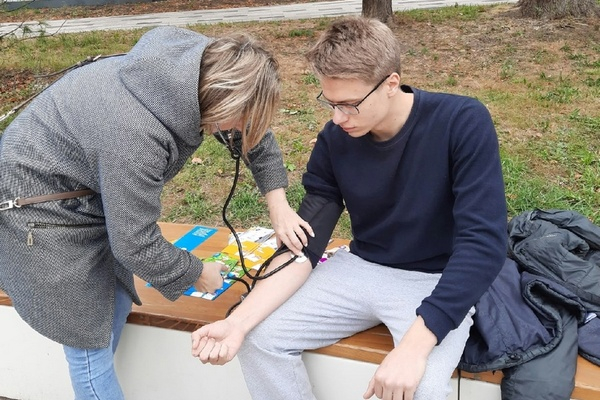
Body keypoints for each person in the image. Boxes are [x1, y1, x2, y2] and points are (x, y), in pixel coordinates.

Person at [191, 16, 508, 400]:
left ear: (390, 83)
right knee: (258, 338)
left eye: (349, 105)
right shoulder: (336, 138)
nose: (337, 118)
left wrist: (412, 349)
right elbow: (306, 243)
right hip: (360, 267)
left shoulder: (461, 121)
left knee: (421, 386)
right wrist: (238, 323)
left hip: (436, 279)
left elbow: (483, 243)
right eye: (330, 102)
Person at [0, 26, 312, 399]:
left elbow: (252, 130)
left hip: (81, 185)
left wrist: (278, 202)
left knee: (113, 302)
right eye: (240, 120)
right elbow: (135, 243)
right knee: (87, 344)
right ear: (222, 104)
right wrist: (197, 273)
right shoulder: (134, 135)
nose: (242, 130)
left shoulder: (196, 68)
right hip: (38, 207)